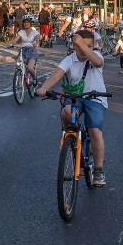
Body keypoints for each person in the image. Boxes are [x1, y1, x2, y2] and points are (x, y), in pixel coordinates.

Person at [36, 29, 108, 187]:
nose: (84, 49)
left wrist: (83, 45)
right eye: (80, 46)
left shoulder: (97, 57)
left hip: (95, 97)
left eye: (89, 46)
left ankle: (98, 169)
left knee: (95, 131)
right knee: (66, 112)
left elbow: (98, 63)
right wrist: (43, 88)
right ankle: (72, 134)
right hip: (76, 97)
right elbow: (56, 75)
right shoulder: (70, 59)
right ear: (74, 46)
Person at [10, 14, 40, 80]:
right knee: (18, 65)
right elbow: (15, 39)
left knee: (29, 68)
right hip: (23, 51)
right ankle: (20, 78)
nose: (25, 24)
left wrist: (36, 44)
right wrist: (11, 44)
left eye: (27, 22)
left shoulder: (35, 32)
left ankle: (34, 78)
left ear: (31, 23)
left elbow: (37, 41)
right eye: (24, 22)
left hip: (32, 51)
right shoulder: (21, 32)